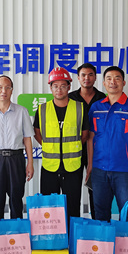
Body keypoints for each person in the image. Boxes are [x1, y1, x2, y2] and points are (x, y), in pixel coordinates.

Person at [87, 66, 128, 222]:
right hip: (99, 169)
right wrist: (90, 165)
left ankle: (126, 239)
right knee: (100, 212)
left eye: (117, 78)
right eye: (109, 78)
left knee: (127, 212)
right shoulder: (96, 107)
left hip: (124, 170)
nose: (112, 82)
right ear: (104, 83)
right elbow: (91, 138)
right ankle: (103, 239)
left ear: (123, 82)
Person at [34, 67, 88, 218]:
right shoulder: (42, 109)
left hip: (73, 166)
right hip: (49, 166)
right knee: (49, 207)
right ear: (50, 88)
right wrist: (51, 146)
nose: (59, 90)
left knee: (73, 206)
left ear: (69, 87)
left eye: (63, 86)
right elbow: (37, 133)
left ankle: (71, 232)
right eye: (55, 86)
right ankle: (52, 234)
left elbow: (84, 134)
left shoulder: (79, 108)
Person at [0, 75, 34, 220]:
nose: (3, 91)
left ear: (12, 90)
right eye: (0, 87)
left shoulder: (22, 111)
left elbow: (27, 138)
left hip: (16, 159)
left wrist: (30, 163)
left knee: (16, 199)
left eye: (7, 87)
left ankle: (16, 232)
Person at [68, 62, 106, 219]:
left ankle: (97, 224)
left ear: (95, 78)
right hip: (74, 150)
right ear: (78, 78)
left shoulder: (103, 99)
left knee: (96, 189)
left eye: (90, 75)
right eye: (83, 75)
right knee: (72, 190)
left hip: (98, 151)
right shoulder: (70, 98)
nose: (87, 78)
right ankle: (73, 225)